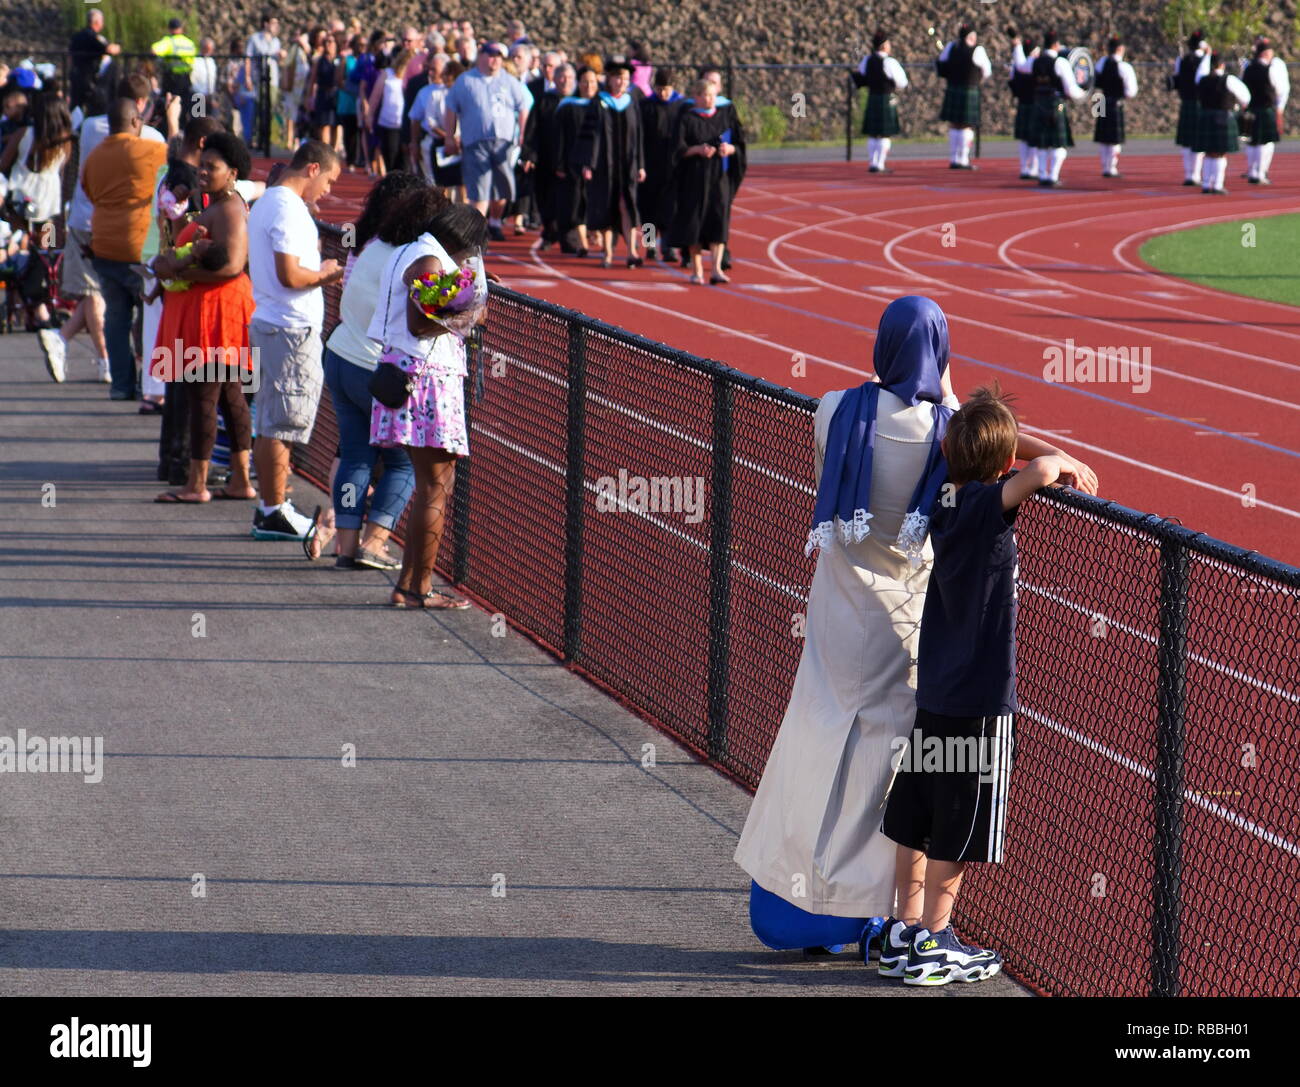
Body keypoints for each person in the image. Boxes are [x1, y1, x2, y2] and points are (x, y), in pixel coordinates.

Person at [734, 296, 1098, 961]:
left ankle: (796, 894)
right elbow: (984, 434)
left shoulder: (834, 411)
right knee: (887, 771)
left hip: (836, 608)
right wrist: (1055, 453)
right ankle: (880, 916)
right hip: (905, 620)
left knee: (815, 744)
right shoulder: (943, 430)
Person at [880, 385, 1079, 985]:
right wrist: (1062, 460)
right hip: (980, 702)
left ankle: (904, 930)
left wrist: (996, 447)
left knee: (917, 815)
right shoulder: (987, 506)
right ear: (1000, 466)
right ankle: (937, 941)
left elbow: (999, 455)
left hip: (938, 694)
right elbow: (1039, 468)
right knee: (958, 826)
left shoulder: (942, 498)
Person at [367, 194, 486, 609]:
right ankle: (418, 589)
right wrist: (469, 315)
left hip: (407, 373)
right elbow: (420, 324)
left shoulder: (411, 250)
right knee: (435, 486)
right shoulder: (431, 261)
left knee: (433, 485)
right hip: (426, 379)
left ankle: (407, 585)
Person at [322, 171, 428, 569]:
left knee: (355, 456)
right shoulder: (416, 256)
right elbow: (433, 314)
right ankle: (376, 542)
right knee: (404, 462)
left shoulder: (370, 246)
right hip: (378, 371)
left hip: (341, 355)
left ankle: (347, 547)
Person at [149, 131, 257, 505]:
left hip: (217, 314)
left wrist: (177, 273)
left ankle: (197, 484)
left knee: (204, 398)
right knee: (229, 396)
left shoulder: (230, 208)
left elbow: (231, 266)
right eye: (203, 166)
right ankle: (240, 480)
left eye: (213, 167)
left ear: (233, 172)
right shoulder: (216, 204)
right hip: (211, 311)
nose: (204, 172)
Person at [245, 140, 345, 541]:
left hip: (276, 323)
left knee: (272, 418)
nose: (329, 190)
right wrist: (327, 274)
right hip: (289, 328)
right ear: (313, 168)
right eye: (330, 180)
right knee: (281, 423)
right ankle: (273, 510)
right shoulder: (286, 207)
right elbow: (291, 275)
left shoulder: (272, 201)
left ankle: (272, 506)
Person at [44, 74, 166, 387]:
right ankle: (109, 363)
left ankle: (91, 355)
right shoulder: (151, 139)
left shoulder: (89, 128)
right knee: (124, 304)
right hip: (133, 236)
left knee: (100, 297)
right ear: (139, 108)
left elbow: (82, 178)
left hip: (86, 223)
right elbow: (174, 166)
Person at [79, 98, 169, 400]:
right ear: (135, 122)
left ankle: (120, 385)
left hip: (104, 244)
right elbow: (178, 170)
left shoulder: (94, 157)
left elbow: (89, 191)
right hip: (139, 247)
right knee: (147, 315)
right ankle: (149, 382)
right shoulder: (153, 151)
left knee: (116, 318)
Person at [442, 41, 531, 241]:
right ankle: (478, 229)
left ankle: (495, 222)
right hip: (475, 141)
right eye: (491, 56)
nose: (495, 61)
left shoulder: (509, 81)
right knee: (479, 187)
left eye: (499, 57)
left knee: (502, 186)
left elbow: (523, 106)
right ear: (481, 56)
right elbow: (451, 107)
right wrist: (450, 135)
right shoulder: (466, 81)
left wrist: (523, 133)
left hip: (503, 142)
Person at [6, 92, 72, 336]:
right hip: (49, 210)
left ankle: (34, 307)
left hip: (18, 206)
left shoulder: (24, 135)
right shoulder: (65, 143)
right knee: (47, 257)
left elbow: (4, 163)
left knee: (27, 256)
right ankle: (42, 306)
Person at [669, 79, 737, 285]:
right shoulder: (687, 119)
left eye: (711, 95)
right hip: (694, 178)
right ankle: (697, 270)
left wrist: (729, 149)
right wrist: (697, 149)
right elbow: (677, 149)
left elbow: (738, 145)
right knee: (695, 225)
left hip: (718, 178)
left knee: (718, 222)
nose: (708, 99)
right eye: (704, 95)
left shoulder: (724, 117)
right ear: (696, 97)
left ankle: (716, 269)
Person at [583, 60, 645, 268]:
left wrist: (641, 164)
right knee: (608, 207)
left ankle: (633, 251)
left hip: (628, 165)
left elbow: (639, 137)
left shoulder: (632, 101)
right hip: (604, 165)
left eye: (625, 79)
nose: (621, 82)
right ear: (609, 79)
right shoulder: (599, 102)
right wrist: (588, 164)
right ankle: (608, 252)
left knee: (627, 206)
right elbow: (590, 137)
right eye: (618, 77)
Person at [1018, 30, 1087, 187]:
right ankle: (1053, 175)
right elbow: (1070, 90)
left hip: (1038, 103)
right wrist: (1083, 93)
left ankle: (1042, 175)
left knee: (1042, 142)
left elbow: (1021, 67)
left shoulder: (1034, 62)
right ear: (1056, 45)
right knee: (1059, 144)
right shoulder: (1061, 62)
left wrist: (1016, 46)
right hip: (1058, 103)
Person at [637, 68, 684, 261]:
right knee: (648, 209)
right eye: (659, 89)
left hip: (672, 166)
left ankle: (668, 246)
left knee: (670, 210)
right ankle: (650, 246)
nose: (662, 93)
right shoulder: (646, 106)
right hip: (649, 165)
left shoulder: (681, 106)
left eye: (666, 89)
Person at [553, 66, 599, 257]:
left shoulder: (604, 106)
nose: (588, 86)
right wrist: (560, 163)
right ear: (578, 84)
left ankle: (651, 245)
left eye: (593, 82)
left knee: (595, 203)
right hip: (572, 164)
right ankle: (577, 242)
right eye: (585, 82)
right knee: (573, 204)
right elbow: (559, 138)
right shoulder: (567, 106)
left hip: (598, 165)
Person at [1194, 53, 1251, 195]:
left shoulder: (1202, 79)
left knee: (1208, 153)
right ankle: (1218, 185)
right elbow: (1246, 98)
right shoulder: (1229, 79)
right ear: (1222, 65)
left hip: (1205, 117)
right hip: (1223, 117)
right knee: (1220, 154)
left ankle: (1206, 184)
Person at [936, 24, 990, 169]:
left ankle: (954, 158)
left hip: (953, 87)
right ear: (971, 36)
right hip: (970, 88)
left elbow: (941, 63)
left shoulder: (950, 47)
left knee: (955, 124)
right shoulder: (977, 50)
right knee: (966, 125)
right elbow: (987, 71)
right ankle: (963, 159)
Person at [854, 32, 908, 174]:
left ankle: (873, 163)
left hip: (873, 97)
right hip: (886, 99)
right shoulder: (890, 62)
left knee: (873, 133)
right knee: (884, 134)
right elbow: (902, 82)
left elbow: (860, 77)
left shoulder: (867, 60)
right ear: (884, 46)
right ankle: (880, 164)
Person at [1241, 39, 1289, 186]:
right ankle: (1260, 173)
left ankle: (1252, 171)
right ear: (1265, 53)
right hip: (1265, 109)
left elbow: (1242, 88)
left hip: (1250, 109)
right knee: (1265, 143)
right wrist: (1279, 106)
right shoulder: (1270, 69)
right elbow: (1280, 89)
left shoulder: (1247, 69)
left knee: (1252, 142)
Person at [1093, 38, 1138, 178]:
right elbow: (1131, 91)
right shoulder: (1124, 67)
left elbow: (1094, 81)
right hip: (1115, 102)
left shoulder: (1101, 63)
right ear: (1120, 49)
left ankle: (1104, 166)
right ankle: (1110, 168)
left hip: (1101, 100)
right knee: (1114, 138)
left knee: (1103, 137)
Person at [1171, 32, 1211, 187]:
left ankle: (1189, 174)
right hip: (1199, 103)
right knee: (1198, 142)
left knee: (1187, 142)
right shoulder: (1205, 60)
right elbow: (1203, 80)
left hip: (1186, 101)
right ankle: (1195, 174)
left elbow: (1177, 78)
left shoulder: (1181, 60)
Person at [151, 17, 197, 137]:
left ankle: (169, 135)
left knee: (168, 109)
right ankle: (181, 135)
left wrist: (161, 61)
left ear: (170, 29)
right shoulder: (189, 43)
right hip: (186, 80)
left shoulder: (169, 41)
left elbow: (154, 50)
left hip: (172, 81)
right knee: (184, 109)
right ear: (181, 28)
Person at [367, 50, 411, 175]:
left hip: (405, 125)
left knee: (405, 163)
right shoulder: (388, 74)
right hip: (389, 123)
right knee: (391, 160)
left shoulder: (412, 77)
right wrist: (369, 115)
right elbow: (375, 96)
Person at [68, 8, 120, 112]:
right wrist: (117, 48)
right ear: (97, 22)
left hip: (76, 75)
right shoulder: (92, 37)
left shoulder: (76, 36)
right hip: (89, 78)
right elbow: (108, 49)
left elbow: (70, 56)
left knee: (76, 107)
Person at [246, 13, 284, 146]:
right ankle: (255, 138)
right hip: (258, 79)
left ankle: (266, 138)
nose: (276, 26)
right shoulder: (255, 39)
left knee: (269, 109)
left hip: (272, 80)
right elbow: (248, 58)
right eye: (273, 23)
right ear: (266, 24)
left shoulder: (276, 41)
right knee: (259, 108)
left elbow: (279, 62)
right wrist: (248, 77)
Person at [1008, 33, 1039, 179]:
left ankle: (1024, 168)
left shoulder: (1016, 67)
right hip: (1036, 104)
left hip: (1022, 103)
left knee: (1024, 138)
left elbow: (1013, 83)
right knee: (1034, 138)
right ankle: (1032, 168)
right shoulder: (1035, 65)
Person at [304, 29, 341, 147]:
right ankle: (326, 151)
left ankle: (335, 152)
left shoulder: (340, 60)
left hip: (336, 95)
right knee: (324, 124)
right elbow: (312, 80)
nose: (328, 44)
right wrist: (309, 97)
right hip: (323, 94)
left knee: (337, 124)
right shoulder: (320, 61)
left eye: (331, 42)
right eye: (326, 42)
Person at [282, 29, 313, 150]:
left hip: (302, 87)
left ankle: (297, 139)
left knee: (300, 115)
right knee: (291, 114)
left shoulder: (306, 49)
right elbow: (288, 65)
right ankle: (289, 139)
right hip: (293, 86)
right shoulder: (293, 50)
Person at [191, 38, 220, 118]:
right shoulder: (195, 60)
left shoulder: (211, 61)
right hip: (198, 96)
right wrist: (203, 95)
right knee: (198, 120)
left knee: (212, 120)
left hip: (210, 97)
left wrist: (212, 96)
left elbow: (212, 80)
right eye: (207, 49)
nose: (210, 51)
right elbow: (193, 80)